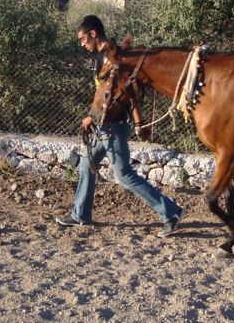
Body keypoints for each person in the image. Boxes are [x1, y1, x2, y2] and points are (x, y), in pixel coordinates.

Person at [55, 15, 185, 238]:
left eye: (83, 39)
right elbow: (111, 94)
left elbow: (116, 94)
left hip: (111, 127)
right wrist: (134, 121)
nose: (82, 44)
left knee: (124, 176)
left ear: (93, 34)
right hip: (103, 126)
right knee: (87, 166)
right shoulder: (109, 57)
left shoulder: (108, 59)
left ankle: (171, 213)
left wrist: (92, 117)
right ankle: (80, 214)